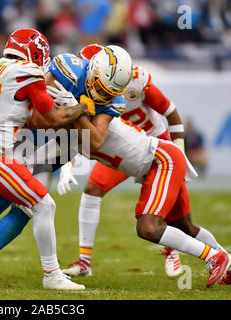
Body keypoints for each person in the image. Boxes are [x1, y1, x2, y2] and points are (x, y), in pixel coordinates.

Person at [0, 43, 130, 289]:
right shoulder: (67, 69)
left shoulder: (112, 99)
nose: (102, 95)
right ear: (89, 68)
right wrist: (75, 112)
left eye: (108, 92)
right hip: (25, 142)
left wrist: (76, 111)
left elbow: (94, 140)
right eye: (98, 87)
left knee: (25, 210)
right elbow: (34, 119)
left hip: (55, 153)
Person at [56, 75, 231, 287]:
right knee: (176, 222)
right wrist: (66, 165)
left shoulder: (121, 91)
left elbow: (170, 115)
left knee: (160, 226)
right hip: (131, 160)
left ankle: (206, 256)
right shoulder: (91, 101)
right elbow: (70, 140)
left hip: (158, 156)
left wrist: (181, 155)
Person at [61, 44, 185, 278]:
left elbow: (171, 112)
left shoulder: (133, 81)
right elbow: (81, 136)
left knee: (180, 216)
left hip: (156, 147)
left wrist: (180, 149)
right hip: (123, 149)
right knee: (92, 188)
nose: (87, 79)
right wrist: (67, 163)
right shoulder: (86, 93)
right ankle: (84, 262)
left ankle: (185, 252)